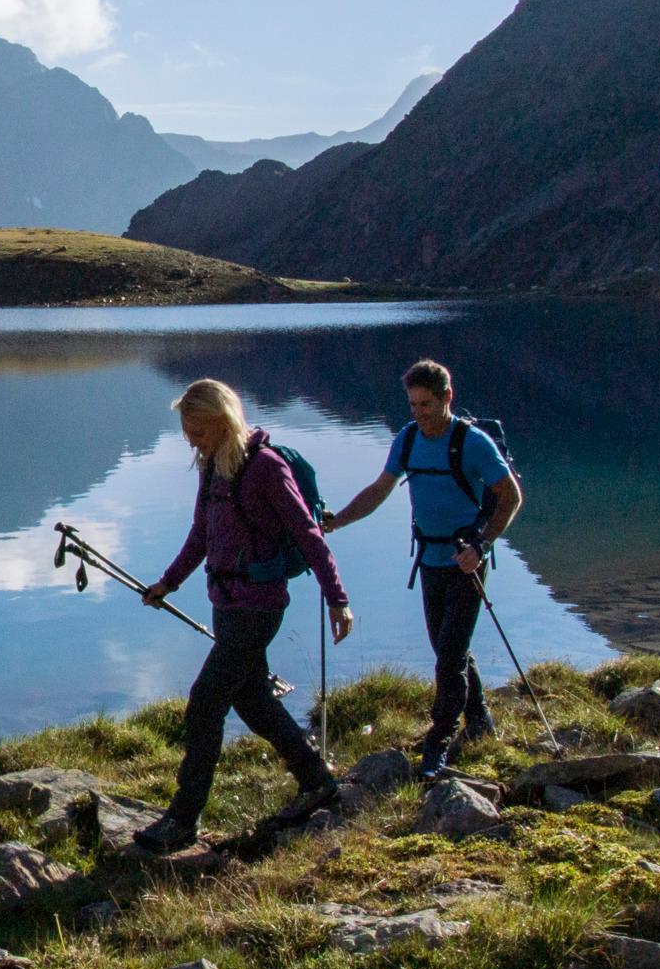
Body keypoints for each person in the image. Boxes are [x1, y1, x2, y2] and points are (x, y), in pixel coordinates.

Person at [136, 378, 352, 855]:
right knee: (253, 703)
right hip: (226, 603)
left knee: (205, 702)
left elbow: (310, 536)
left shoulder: (267, 469)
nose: (190, 437)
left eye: (196, 427)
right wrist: (168, 582)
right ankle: (317, 781)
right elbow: (201, 534)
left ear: (221, 420)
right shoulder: (212, 466)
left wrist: (337, 597)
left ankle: (183, 818)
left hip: (258, 607)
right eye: (186, 428)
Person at [327, 357, 523, 776]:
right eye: (413, 405)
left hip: (466, 561)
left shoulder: (472, 442)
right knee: (447, 647)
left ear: (447, 398)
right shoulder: (408, 440)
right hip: (429, 559)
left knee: (449, 655)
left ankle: (438, 740)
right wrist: (337, 520)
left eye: (426, 405)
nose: (418, 413)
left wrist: (482, 545)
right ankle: (481, 719)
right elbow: (380, 489)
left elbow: (511, 497)